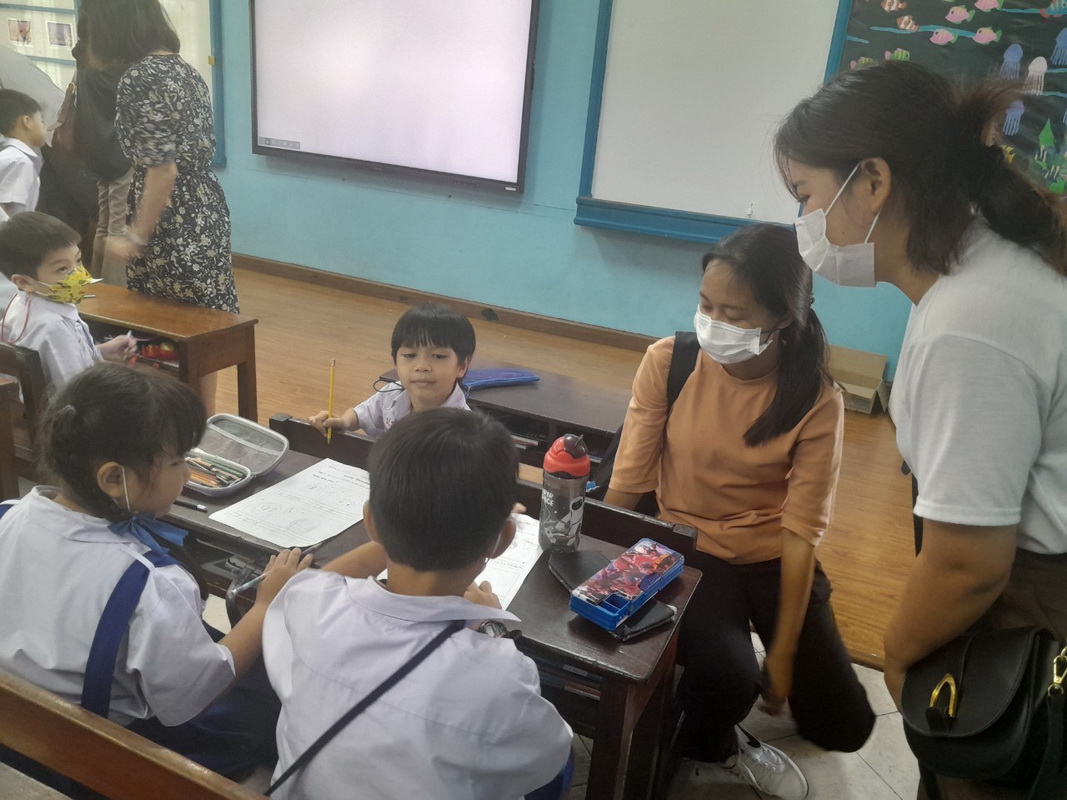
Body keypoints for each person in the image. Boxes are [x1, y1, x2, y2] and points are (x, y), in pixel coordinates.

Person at [775, 61, 1067, 798]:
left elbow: (968, 563)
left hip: (1027, 615)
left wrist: (900, 655)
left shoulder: (969, 321)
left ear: (872, 180)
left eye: (804, 195)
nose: (804, 222)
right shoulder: (994, 273)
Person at [604, 223, 874, 800]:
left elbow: (801, 531)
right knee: (731, 677)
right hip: (690, 545)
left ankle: (715, 674)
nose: (713, 323)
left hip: (774, 552)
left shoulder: (816, 398)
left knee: (844, 726)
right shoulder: (670, 362)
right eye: (706, 305)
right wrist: (599, 566)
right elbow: (629, 479)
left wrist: (785, 651)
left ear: (783, 319)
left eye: (735, 314)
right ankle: (709, 743)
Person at [0, 362, 311, 778]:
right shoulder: (151, 583)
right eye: (178, 462)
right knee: (273, 696)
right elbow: (197, 695)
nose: (188, 473)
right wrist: (265, 606)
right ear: (114, 478)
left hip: (21, 721)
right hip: (99, 752)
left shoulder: (7, 515)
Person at [263, 408, 574, 799]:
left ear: (370, 523)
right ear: (503, 540)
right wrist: (495, 627)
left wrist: (397, 530)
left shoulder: (310, 604)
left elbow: (318, 583)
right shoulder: (499, 673)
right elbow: (548, 757)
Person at [78, 0, 235, 412]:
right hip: (205, 208)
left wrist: (135, 236)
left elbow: (162, 171)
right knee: (202, 326)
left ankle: (170, 424)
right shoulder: (182, 68)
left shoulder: (139, 76)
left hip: (171, 220)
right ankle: (199, 421)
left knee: (162, 332)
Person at [0, 212, 135, 391]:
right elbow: (75, 391)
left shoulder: (21, 301)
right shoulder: (53, 326)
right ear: (24, 282)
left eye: (78, 260)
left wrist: (100, 351)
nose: (78, 274)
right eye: (62, 269)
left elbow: (58, 359)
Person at [310, 302, 475, 440]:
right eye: (410, 355)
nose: (422, 366)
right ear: (395, 361)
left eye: (438, 356)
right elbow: (362, 414)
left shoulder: (466, 430)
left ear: (462, 366)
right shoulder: (393, 393)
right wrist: (343, 422)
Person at [71, 14, 133, 287]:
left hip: (95, 150)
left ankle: (97, 283)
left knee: (104, 223)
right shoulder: (118, 64)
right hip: (119, 151)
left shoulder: (84, 56)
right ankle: (114, 294)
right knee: (119, 226)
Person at [0, 88, 45, 217]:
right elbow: (13, 214)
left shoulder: (9, 156)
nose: (44, 127)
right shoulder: (20, 161)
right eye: (41, 121)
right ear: (27, 122)